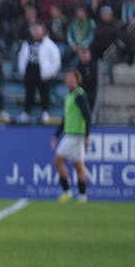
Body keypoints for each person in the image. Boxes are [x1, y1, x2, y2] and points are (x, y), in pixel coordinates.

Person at [52, 68, 91, 203]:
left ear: (77, 80)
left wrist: (87, 136)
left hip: (75, 135)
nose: (69, 81)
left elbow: (87, 116)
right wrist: (56, 135)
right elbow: (65, 118)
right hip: (72, 134)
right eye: (67, 78)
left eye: (72, 78)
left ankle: (67, 191)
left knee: (58, 160)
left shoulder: (79, 95)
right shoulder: (70, 95)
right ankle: (82, 196)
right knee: (78, 165)